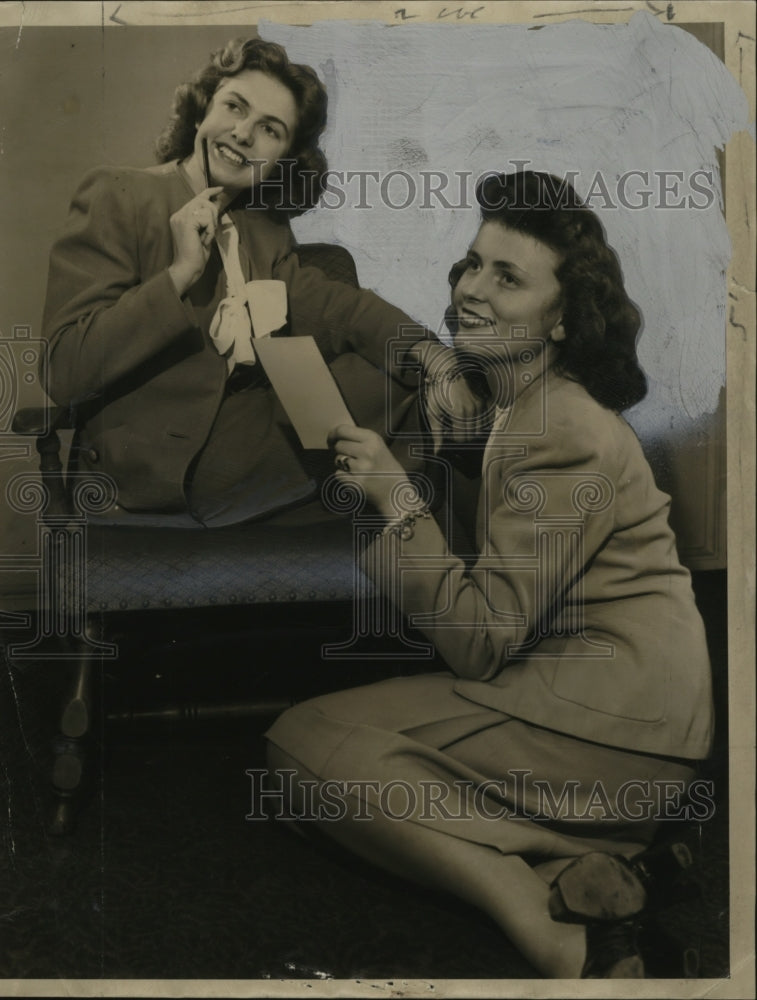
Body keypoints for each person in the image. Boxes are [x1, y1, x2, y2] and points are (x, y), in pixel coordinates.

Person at [265, 170, 715, 978]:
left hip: (611, 733)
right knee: (319, 774)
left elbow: (477, 641)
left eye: (508, 277)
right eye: (471, 265)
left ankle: (548, 927)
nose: (472, 289)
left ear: (562, 319)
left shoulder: (560, 427)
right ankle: (595, 858)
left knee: (298, 750)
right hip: (598, 712)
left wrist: (399, 500)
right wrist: (457, 456)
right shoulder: (524, 404)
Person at [40, 37, 479, 527]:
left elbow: (339, 308)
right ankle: (459, 556)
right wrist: (180, 275)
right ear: (204, 108)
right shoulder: (119, 194)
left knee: (410, 377)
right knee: (428, 418)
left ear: (284, 157)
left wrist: (437, 359)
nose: (242, 134)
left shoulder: (263, 226)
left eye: (269, 129)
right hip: (157, 463)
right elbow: (64, 371)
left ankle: (446, 552)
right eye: (234, 107)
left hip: (254, 427)